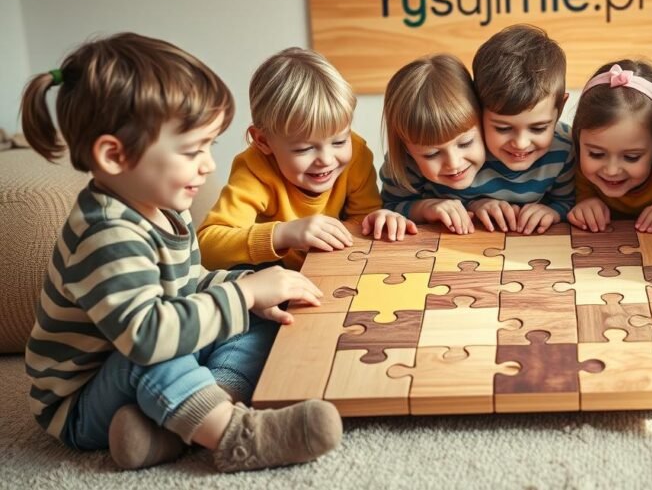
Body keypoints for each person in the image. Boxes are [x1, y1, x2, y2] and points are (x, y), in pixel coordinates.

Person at [21, 33, 341, 471]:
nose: (209, 164)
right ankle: (237, 436)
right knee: (163, 349)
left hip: (141, 369)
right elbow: (148, 336)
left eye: (209, 146)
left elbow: (186, 288)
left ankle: (179, 420)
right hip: (82, 400)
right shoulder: (106, 234)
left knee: (264, 316)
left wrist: (251, 288)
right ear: (115, 155)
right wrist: (244, 294)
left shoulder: (166, 207)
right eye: (193, 151)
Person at [198, 47, 414, 274]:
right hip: (278, 279)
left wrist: (378, 219)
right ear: (263, 141)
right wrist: (284, 234)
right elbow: (207, 246)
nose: (326, 159)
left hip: (336, 273)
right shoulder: (254, 168)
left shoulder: (357, 153)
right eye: (305, 149)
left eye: (340, 142)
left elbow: (363, 218)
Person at [568, 58, 652, 233]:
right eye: (596, 154)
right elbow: (576, 195)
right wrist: (585, 202)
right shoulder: (574, 163)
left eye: (631, 157)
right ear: (578, 137)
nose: (612, 170)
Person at [470, 24, 575, 234]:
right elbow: (431, 202)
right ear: (477, 108)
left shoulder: (566, 148)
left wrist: (553, 212)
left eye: (537, 129)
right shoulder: (463, 151)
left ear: (560, 107)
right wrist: (473, 206)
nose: (520, 143)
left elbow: (570, 202)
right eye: (502, 128)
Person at [379, 54, 488, 234]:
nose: (454, 163)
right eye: (431, 154)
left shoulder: (503, 150)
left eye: (465, 143)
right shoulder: (403, 166)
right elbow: (391, 208)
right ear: (406, 148)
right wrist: (424, 208)